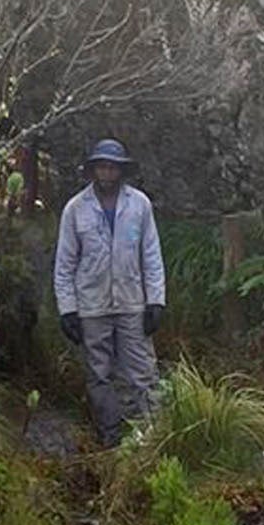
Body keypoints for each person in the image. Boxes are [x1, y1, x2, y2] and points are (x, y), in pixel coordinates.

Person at [51, 138, 166, 445]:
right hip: (91, 306)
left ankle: (150, 437)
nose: (106, 173)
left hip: (132, 302)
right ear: (92, 170)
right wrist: (68, 310)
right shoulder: (75, 210)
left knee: (142, 372)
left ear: (121, 170)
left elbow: (151, 255)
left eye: (112, 167)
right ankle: (111, 437)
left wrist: (156, 301)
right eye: (101, 167)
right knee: (99, 375)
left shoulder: (139, 204)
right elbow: (64, 264)